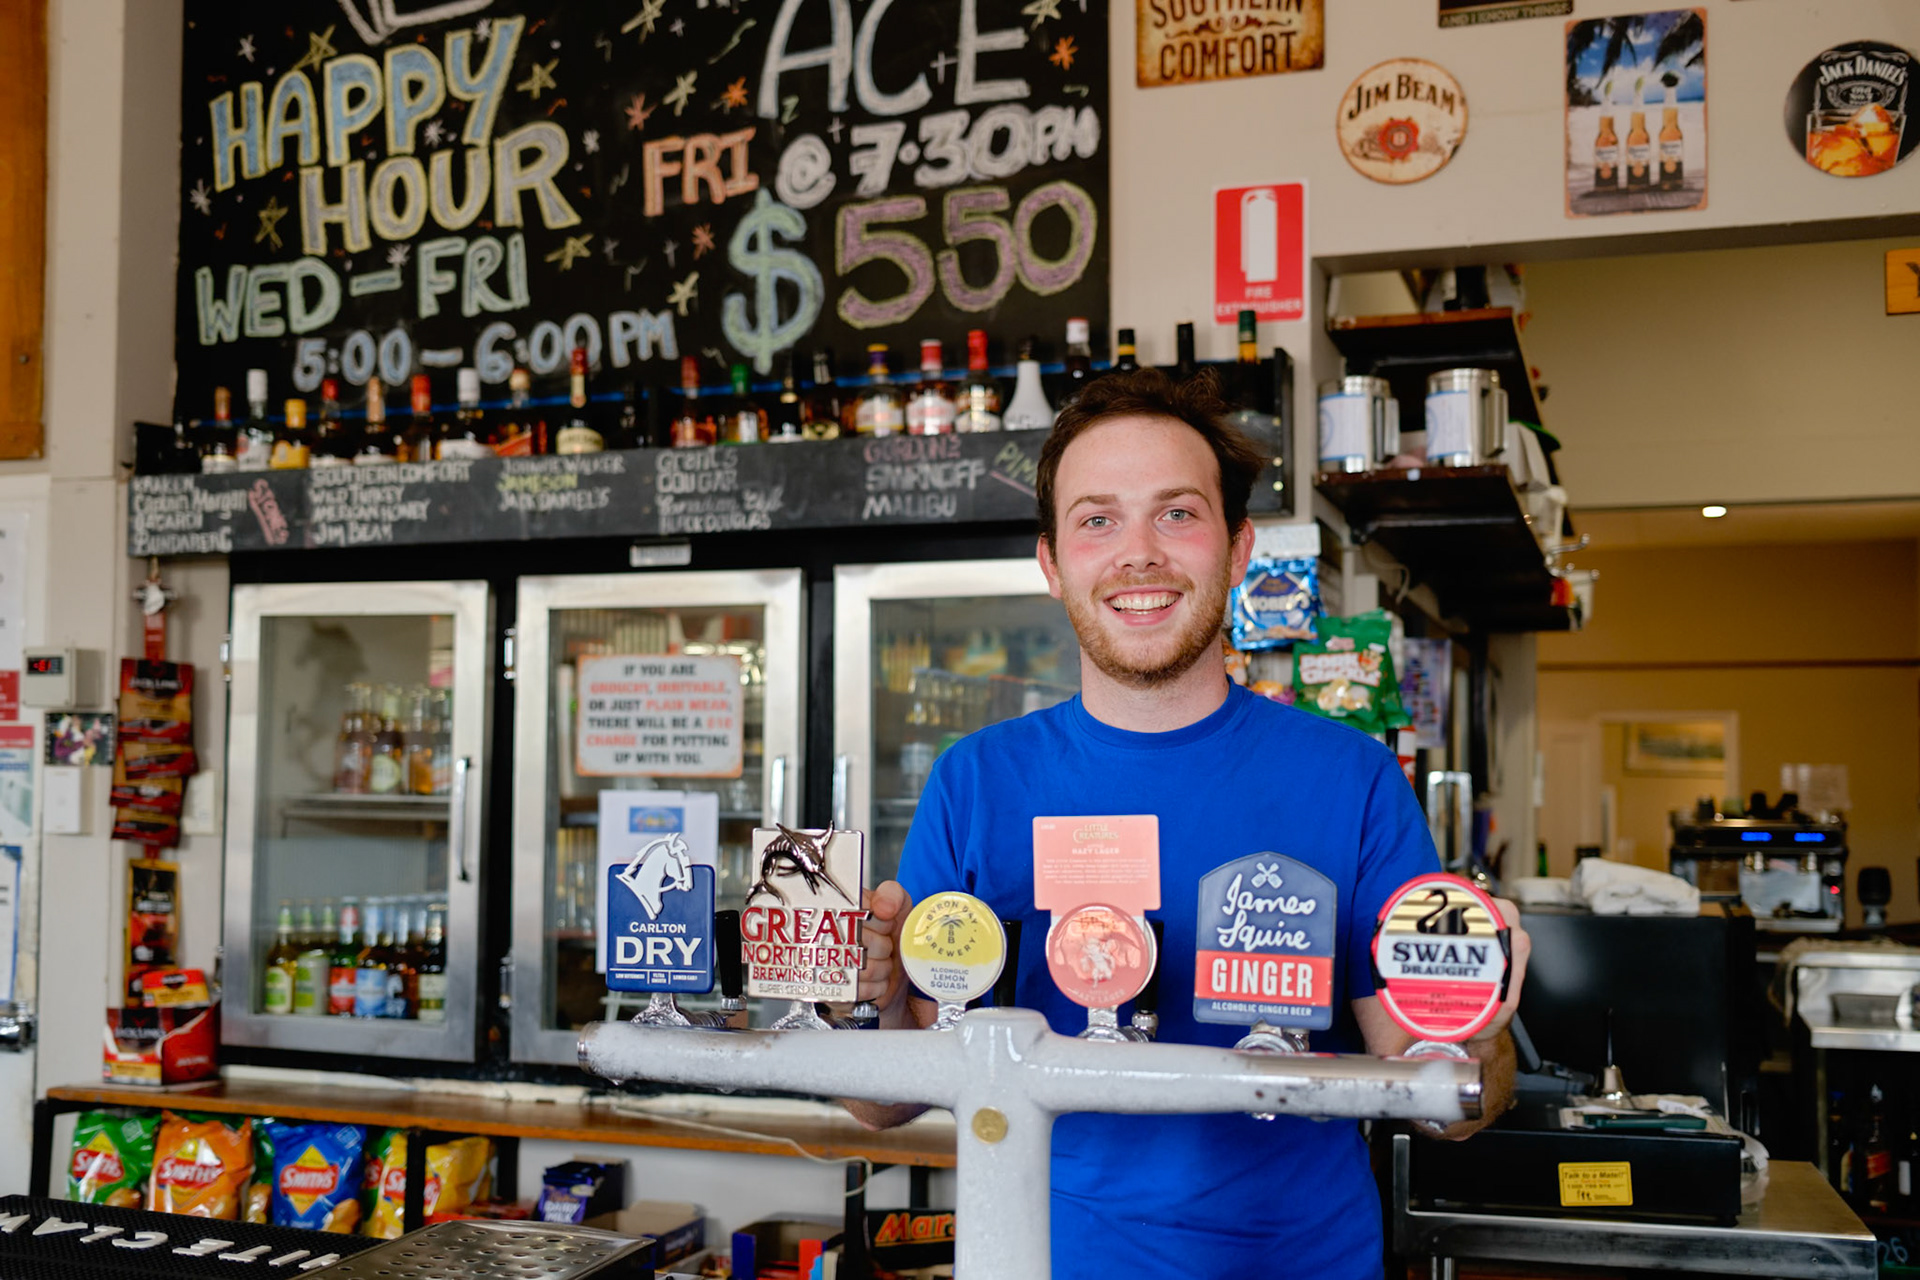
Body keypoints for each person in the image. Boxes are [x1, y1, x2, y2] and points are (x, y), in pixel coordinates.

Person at [846, 367, 1531, 1278]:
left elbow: (1441, 1106)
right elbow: (886, 1104)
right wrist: (876, 995)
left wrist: (1474, 1029)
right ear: (1052, 563)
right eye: (1097, 519)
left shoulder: (1351, 778)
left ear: (1238, 549)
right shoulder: (976, 781)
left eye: (1178, 513)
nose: (1140, 555)